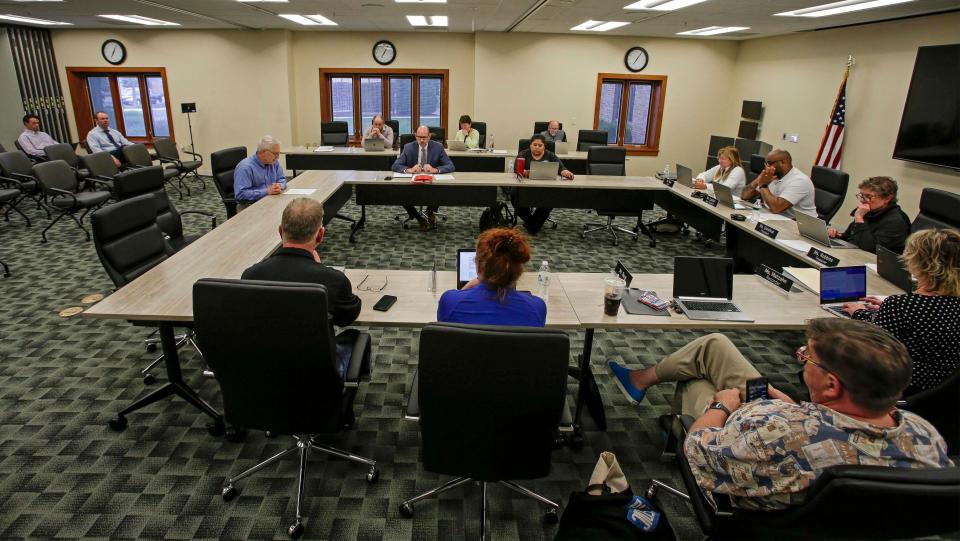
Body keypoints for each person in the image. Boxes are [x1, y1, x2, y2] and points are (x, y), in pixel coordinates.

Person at [608, 318, 952, 511]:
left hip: (752, 460)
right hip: (789, 424)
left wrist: (723, 406)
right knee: (715, 346)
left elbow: (699, 449)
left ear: (831, 386)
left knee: (698, 386)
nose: (801, 360)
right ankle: (644, 379)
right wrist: (795, 407)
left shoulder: (778, 433)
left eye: (807, 357)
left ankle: (659, 401)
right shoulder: (927, 437)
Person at [241, 198, 362, 380]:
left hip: (263, 372)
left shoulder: (250, 275)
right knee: (354, 336)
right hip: (315, 376)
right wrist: (319, 268)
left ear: (281, 231)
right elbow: (348, 317)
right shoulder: (333, 280)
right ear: (320, 235)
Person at [843, 229, 960, 393]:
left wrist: (859, 313)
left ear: (919, 262)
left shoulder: (901, 305)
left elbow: (873, 350)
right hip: (941, 394)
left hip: (898, 385)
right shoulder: (908, 306)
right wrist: (886, 311)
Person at [438, 227, 546, 327]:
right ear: (519, 271)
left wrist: (464, 291)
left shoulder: (449, 301)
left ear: (479, 266)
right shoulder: (537, 307)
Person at [392, 125, 455, 231]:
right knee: (400, 191)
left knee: (442, 188)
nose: (421, 140)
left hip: (432, 183)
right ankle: (418, 218)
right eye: (419, 137)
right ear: (415, 136)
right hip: (412, 183)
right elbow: (395, 165)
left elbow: (450, 166)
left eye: (424, 137)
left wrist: (435, 170)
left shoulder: (438, 147)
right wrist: (409, 170)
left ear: (429, 136)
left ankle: (430, 211)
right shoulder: (408, 147)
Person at [827, 176, 911, 253]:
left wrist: (859, 218)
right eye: (862, 196)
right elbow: (849, 237)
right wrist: (837, 235)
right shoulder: (870, 211)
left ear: (887, 198)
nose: (862, 200)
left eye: (869, 196)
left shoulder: (896, 221)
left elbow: (870, 248)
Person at [511, 134, 573, 234]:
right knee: (514, 195)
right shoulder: (523, 154)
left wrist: (565, 172)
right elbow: (516, 170)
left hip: (545, 188)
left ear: (544, 146)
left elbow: (561, 168)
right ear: (530, 145)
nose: (537, 147)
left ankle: (531, 225)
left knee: (552, 198)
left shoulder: (550, 155)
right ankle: (533, 225)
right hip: (525, 188)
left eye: (540, 145)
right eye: (534, 145)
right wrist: (525, 172)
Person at [740, 149, 816, 218]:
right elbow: (744, 196)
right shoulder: (772, 175)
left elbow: (776, 208)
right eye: (765, 164)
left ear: (783, 162)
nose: (767, 167)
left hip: (798, 224)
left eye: (769, 163)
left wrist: (763, 184)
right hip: (775, 217)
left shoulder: (800, 180)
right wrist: (758, 180)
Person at [234, 135, 287, 211]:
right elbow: (241, 194)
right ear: (263, 152)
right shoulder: (245, 167)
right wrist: (266, 191)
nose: (278, 157)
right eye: (275, 153)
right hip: (249, 207)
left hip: (270, 202)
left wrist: (279, 186)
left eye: (279, 153)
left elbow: (282, 179)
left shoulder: (274, 162)